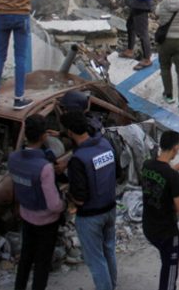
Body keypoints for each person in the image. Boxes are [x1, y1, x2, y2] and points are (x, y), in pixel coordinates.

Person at [9, 115, 65, 290]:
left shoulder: (13, 158)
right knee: (42, 264)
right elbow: (54, 204)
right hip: (46, 222)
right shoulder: (44, 166)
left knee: (25, 258)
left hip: (26, 216)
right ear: (43, 136)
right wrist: (64, 205)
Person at [64, 111, 118, 290]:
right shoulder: (105, 143)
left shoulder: (78, 159)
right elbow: (118, 172)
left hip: (90, 217)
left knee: (96, 261)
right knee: (108, 251)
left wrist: (69, 200)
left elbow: (79, 198)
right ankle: (112, 285)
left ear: (70, 132)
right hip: (110, 209)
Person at [141, 131, 179, 290]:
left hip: (149, 227)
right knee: (170, 272)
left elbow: (164, 175)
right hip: (166, 233)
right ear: (176, 148)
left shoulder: (147, 165)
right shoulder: (172, 176)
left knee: (165, 263)